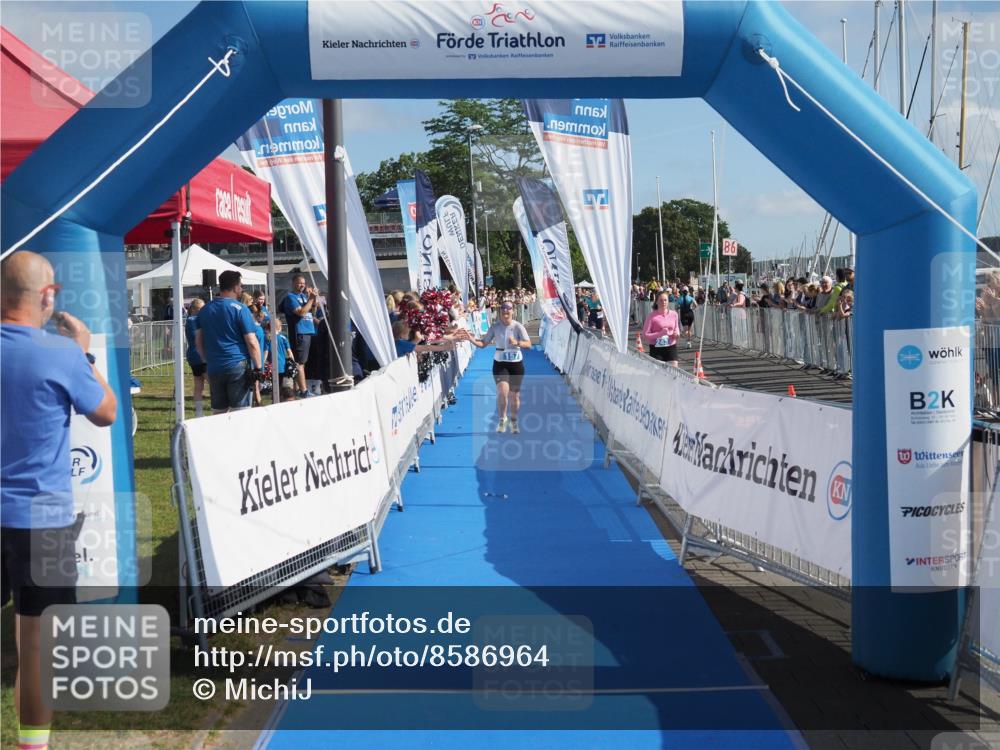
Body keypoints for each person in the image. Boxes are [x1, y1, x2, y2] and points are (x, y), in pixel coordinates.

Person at [1, 251, 117, 750]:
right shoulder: (63, 354)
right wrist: (84, 353)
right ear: (47, 297)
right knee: (37, 647)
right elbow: (107, 411)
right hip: (41, 520)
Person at [194, 270, 262, 413]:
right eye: (241, 285)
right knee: (241, 412)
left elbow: (198, 342)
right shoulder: (240, 309)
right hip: (237, 365)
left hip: (214, 366)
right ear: (236, 287)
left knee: (218, 413)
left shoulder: (205, 310)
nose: (242, 289)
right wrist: (258, 367)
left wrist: (207, 360)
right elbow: (251, 341)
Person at [470, 302, 531, 433]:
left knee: (514, 396)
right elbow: (483, 343)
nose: (505, 312)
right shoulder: (495, 327)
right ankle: (502, 419)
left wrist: (517, 343)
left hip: (516, 365)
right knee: (502, 391)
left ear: (513, 311)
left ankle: (514, 421)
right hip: (500, 364)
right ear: (500, 312)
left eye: (508, 309)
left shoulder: (518, 327)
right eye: (503, 309)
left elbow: (528, 344)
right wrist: (471, 339)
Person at [280, 274, 318, 398]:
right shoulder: (291, 297)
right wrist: (311, 299)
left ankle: (298, 388)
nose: (302, 285)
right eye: (299, 283)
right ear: (293, 284)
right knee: (299, 363)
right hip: (299, 332)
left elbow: (311, 312)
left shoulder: (303, 296)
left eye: (303, 283)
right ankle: (303, 391)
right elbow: (301, 312)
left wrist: (313, 300)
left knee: (303, 362)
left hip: (307, 331)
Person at [641, 290, 681, 366]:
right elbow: (645, 335)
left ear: (668, 301)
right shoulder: (651, 316)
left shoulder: (674, 314)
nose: (664, 302)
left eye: (665, 300)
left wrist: (677, 334)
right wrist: (660, 334)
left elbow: (676, 328)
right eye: (661, 300)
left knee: (674, 371)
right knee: (659, 373)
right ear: (656, 302)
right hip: (656, 348)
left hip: (671, 346)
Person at [185, 298, 207, 417]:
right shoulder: (194, 320)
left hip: (194, 355)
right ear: (194, 309)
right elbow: (197, 337)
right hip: (199, 355)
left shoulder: (190, 320)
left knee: (199, 385)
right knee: (214, 384)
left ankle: (199, 413)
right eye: (201, 308)